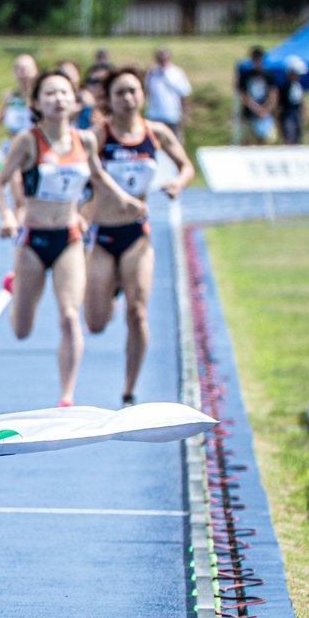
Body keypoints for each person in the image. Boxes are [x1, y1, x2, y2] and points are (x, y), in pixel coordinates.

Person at [0, 71, 144, 407]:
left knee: (70, 315)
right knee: (21, 330)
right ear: (37, 103)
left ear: (75, 101)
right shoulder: (27, 141)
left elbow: (99, 176)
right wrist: (6, 215)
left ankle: (67, 396)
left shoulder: (85, 140)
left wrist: (124, 199)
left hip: (70, 237)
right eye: (50, 94)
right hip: (33, 240)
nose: (58, 99)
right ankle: (15, 286)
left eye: (64, 93)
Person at [85, 68, 194, 408]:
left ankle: (129, 390)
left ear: (143, 95)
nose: (128, 98)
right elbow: (86, 169)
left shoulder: (156, 132)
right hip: (102, 235)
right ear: (109, 99)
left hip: (136, 236)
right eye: (120, 93)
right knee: (97, 322)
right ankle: (110, 293)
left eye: (133, 90)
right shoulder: (97, 136)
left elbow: (187, 166)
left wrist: (177, 183)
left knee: (139, 313)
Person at [0, 54, 38, 218]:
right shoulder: (10, 96)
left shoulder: (40, 96)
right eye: (19, 69)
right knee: (17, 192)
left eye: (27, 69)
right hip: (13, 148)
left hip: (35, 148)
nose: (23, 73)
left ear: (35, 70)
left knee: (33, 195)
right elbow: (0, 115)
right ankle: (19, 229)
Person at [144, 47, 192, 143]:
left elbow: (183, 94)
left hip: (172, 116)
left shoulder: (177, 72)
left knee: (175, 143)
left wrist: (185, 113)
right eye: (160, 58)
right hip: (154, 116)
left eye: (164, 57)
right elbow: (146, 92)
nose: (162, 60)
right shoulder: (151, 73)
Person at [238, 46, 278, 145]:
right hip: (249, 114)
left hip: (264, 115)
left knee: (263, 142)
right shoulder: (246, 75)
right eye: (255, 58)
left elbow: (273, 95)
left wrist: (265, 110)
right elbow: (243, 95)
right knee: (245, 141)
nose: (257, 60)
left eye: (259, 57)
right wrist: (255, 108)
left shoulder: (268, 75)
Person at [279, 55, 308, 146]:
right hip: (287, 113)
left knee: (297, 137)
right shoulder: (285, 85)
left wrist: (303, 112)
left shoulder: (297, 85)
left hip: (295, 113)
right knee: (289, 136)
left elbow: (300, 101)